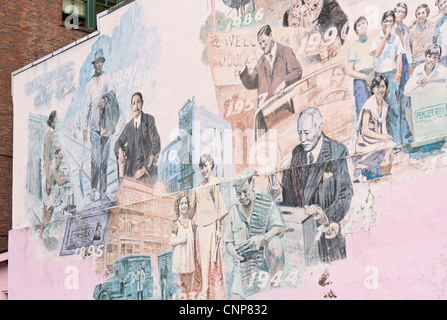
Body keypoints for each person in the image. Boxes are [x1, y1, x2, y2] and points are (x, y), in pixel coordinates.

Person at [281, 107, 353, 264]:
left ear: (319, 127)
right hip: (302, 240)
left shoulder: (337, 151)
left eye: (306, 133)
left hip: (327, 238)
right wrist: (278, 192)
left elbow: (345, 195)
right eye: (299, 133)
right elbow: (291, 195)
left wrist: (326, 215)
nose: (302, 138)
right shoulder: (297, 154)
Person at [223, 167, 285, 299]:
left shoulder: (265, 204)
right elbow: (228, 242)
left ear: (252, 185)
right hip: (244, 266)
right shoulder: (234, 211)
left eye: (245, 192)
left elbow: (279, 228)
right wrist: (234, 253)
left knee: (276, 243)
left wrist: (263, 238)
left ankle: (276, 289)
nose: (243, 197)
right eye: (239, 194)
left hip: (264, 259)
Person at [82, 49, 120, 202]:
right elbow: (86, 106)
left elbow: (113, 93)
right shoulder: (90, 84)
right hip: (94, 128)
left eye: (101, 62)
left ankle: (103, 192)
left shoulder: (107, 77)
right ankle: (93, 188)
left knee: (104, 160)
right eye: (97, 62)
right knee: (95, 160)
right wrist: (84, 128)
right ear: (94, 64)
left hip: (106, 127)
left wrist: (105, 99)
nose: (99, 64)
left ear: (102, 63)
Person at [189, 153, 228, 300]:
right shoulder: (197, 188)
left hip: (211, 227)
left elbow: (219, 207)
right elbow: (191, 212)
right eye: (201, 167)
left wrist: (219, 229)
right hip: (200, 229)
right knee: (201, 260)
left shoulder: (214, 183)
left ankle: (212, 294)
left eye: (205, 166)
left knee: (212, 261)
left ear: (211, 165)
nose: (204, 169)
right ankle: (203, 292)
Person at [371, 10, 412, 145]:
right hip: (380, 77)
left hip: (392, 74)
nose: (388, 24)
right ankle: (384, 141)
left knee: (394, 108)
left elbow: (399, 56)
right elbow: (377, 53)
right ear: (382, 23)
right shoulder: (376, 39)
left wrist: (398, 74)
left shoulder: (396, 39)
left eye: (390, 21)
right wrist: (386, 36)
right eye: (386, 21)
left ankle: (398, 141)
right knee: (381, 110)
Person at [239, 25, 303, 102]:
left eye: (264, 41)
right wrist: (243, 66)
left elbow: (297, 71)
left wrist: (284, 82)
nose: (262, 46)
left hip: (285, 104)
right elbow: (250, 84)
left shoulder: (286, 52)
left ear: (271, 36)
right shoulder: (260, 62)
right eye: (260, 43)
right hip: (266, 109)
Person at [353, 74, 396, 181]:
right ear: (372, 89)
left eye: (382, 86)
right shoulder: (369, 105)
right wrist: (382, 138)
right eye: (377, 87)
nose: (380, 90)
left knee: (390, 145)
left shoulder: (385, 105)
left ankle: (380, 170)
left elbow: (383, 126)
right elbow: (365, 130)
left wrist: (385, 137)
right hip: (367, 140)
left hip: (378, 138)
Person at [114, 92, 161, 185]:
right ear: (131, 107)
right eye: (133, 103)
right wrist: (119, 151)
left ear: (142, 104)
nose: (136, 106)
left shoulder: (149, 120)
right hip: (131, 173)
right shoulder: (128, 127)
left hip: (147, 172)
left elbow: (156, 143)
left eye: (138, 102)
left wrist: (144, 169)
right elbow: (118, 142)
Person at [40, 111, 69, 238]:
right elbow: (47, 158)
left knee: (45, 206)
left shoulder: (49, 134)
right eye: (56, 119)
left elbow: (49, 153)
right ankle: (45, 232)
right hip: (48, 173)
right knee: (50, 207)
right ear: (52, 120)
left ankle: (41, 232)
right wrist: (48, 180)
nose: (57, 121)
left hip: (48, 172)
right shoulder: (49, 135)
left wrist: (55, 150)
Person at [347, 16, 376, 118]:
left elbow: (378, 59)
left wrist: (372, 75)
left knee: (377, 108)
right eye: (359, 25)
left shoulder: (373, 42)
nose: (362, 26)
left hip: (373, 75)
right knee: (363, 109)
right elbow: (349, 71)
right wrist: (365, 77)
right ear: (355, 30)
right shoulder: (353, 47)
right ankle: (363, 132)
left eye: (363, 23)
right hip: (360, 79)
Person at [171, 192, 196, 297]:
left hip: (189, 260)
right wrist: (181, 239)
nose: (184, 206)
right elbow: (172, 240)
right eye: (182, 203)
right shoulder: (176, 224)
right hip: (180, 259)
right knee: (181, 286)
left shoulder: (192, 223)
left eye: (186, 203)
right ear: (178, 206)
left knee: (189, 287)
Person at [409, 4, 436, 69]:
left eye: (423, 13)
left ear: (427, 14)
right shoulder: (412, 29)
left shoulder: (431, 26)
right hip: (416, 60)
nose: (420, 15)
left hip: (429, 59)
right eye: (418, 14)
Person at [434, 0, 447, 67]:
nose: (444, 6)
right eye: (441, 5)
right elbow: (435, 39)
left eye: (444, 2)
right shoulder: (439, 22)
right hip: (443, 57)